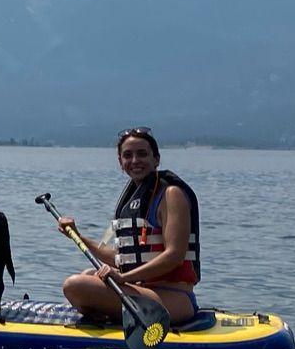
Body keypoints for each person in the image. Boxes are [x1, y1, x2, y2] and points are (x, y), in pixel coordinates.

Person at [59, 127, 204, 331]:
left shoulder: (171, 194)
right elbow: (121, 259)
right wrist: (77, 235)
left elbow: (175, 256)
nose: (135, 160)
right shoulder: (132, 199)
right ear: (120, 162)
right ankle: (109, 318)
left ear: (156, 159)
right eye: (128, 155)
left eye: (142, 154)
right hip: (141, 291)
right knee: (89, 274)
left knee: (75, 285)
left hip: (173, 298)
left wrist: (124, 278)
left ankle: (105, 316)